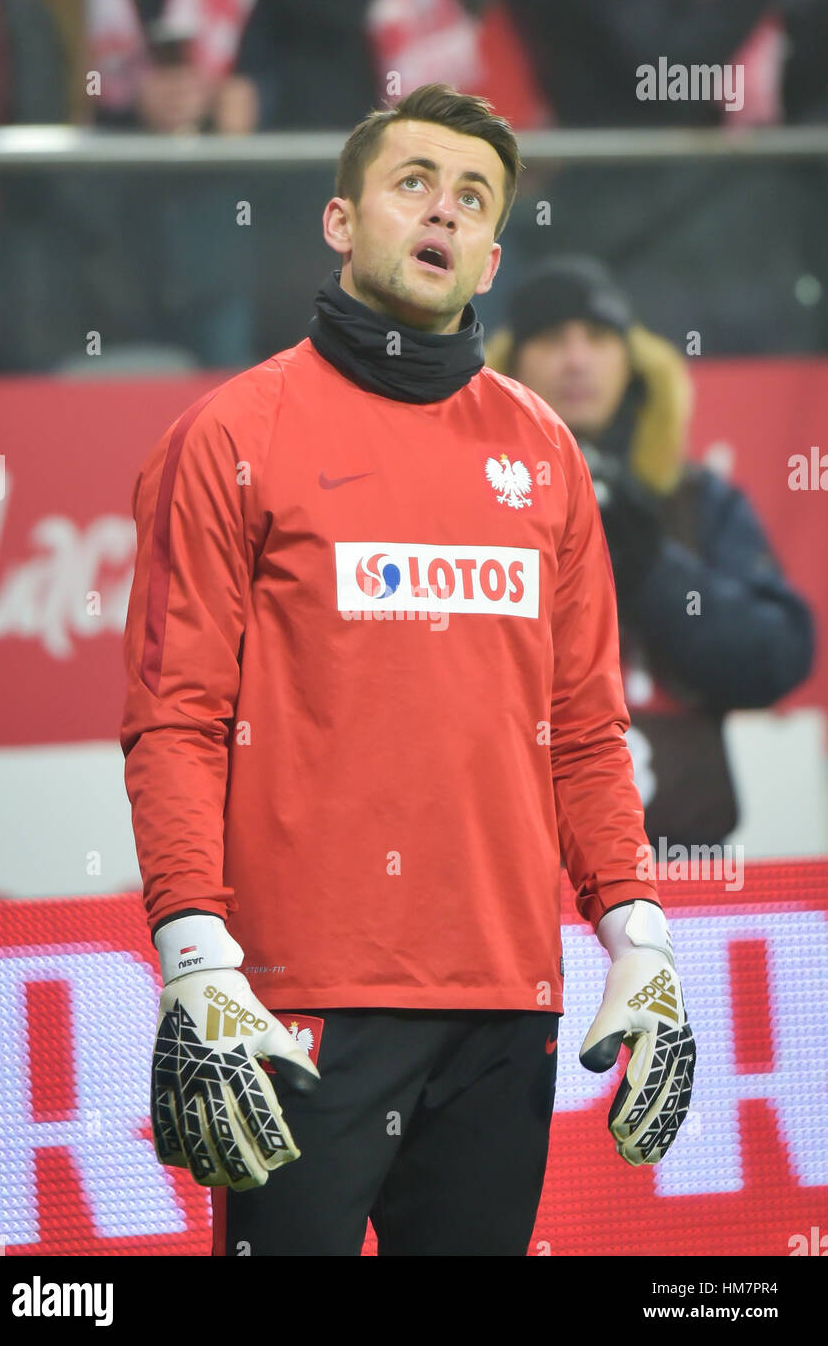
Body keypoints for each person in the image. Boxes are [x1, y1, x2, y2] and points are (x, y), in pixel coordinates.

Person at [120, 84, 696, 1258]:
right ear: (341, 221)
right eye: (413, 183)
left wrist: (637, 937)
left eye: (472, 197)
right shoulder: (231, 436)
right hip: (293, 1006)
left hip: (503, 1011)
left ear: (488, 259)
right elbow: (175, 720)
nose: (442, 210)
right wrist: (192, 949)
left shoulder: (544, 453)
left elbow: (582, 730)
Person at [486, 255, 815, 853]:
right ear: (511, 366)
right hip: (518, 868)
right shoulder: (471, 504)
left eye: (599, 338)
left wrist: (652, 570)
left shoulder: (695, 499)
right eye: (554, 338)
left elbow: (778, 657)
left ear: (632, 363)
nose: (577, 357)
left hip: (689, 875)